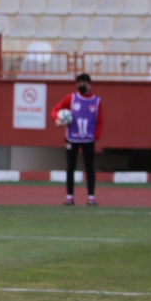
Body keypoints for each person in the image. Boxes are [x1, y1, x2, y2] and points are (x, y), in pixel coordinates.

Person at [53, 74, 103, 207]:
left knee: (89, 168)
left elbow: (100, 120)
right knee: (70, 167)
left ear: (89, 85)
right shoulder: (71, 98)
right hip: (72, 138)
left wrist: (95, 136)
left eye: (84, 83)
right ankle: (69, 198)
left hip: (88, 139)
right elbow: (55, 110)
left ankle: (91, 198)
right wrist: (57, 119)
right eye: (79, 83)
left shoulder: (96, 101)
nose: (81, 85)